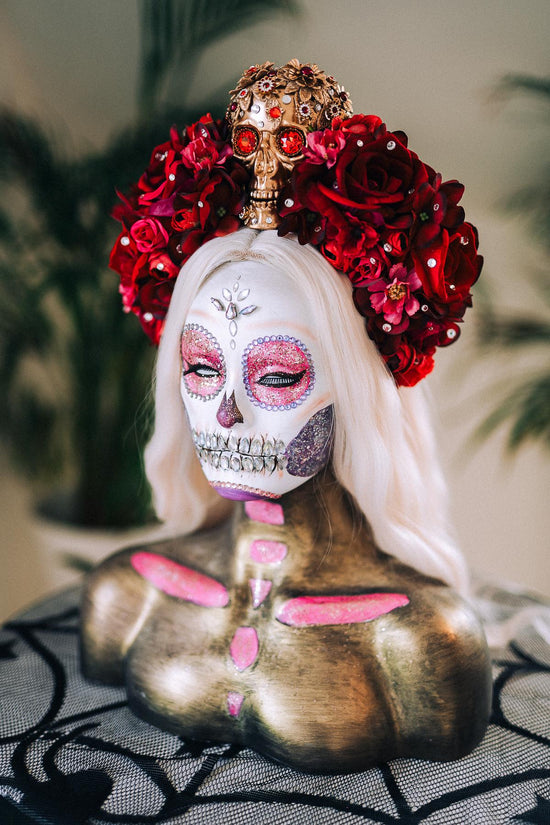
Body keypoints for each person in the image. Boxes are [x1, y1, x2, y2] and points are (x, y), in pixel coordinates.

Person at [82, 60, 491, 772]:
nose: (227, 413)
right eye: (203, 369)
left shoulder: (424, 638)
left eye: (276, 375)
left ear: (357, 389)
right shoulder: (127, 592)